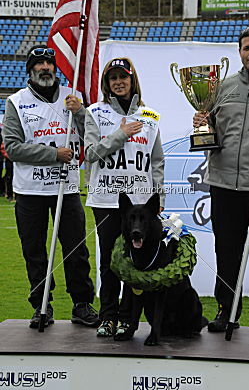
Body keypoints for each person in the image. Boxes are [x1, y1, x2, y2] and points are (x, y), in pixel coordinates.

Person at [3, 45, 99, 329]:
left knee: (76, 249)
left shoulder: (74, 97)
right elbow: (12, 147)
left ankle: (82, 304)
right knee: (34, 251)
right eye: (39, 64)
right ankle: (41, 305)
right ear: (30, 70)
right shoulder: (16, 102)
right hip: (30, 190)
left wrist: (80, 113)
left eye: (49, 63)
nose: (46, 67)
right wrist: (52, 155)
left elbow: (92, 135)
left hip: (66, 188)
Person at [193, 26, 249, 335]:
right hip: (223, 185)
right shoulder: (221, 86)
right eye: (246, 47)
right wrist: (201, 125)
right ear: (239, 52)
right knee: (227, 251)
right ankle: (227, 310)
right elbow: (211, 133)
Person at [84, 58, 165, 337]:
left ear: (133, 80)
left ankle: (129, 319)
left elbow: (156, 161)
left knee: (136, 264)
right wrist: (120, 134)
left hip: (141, 204)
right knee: (110, 262)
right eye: (113, 78)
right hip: (107, 200)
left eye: (124, 77)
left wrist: (160, 195)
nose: (119, 82)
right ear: (106, 83)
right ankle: (107, 317)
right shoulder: (95, 112)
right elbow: (91, 154)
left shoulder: (151, 116)